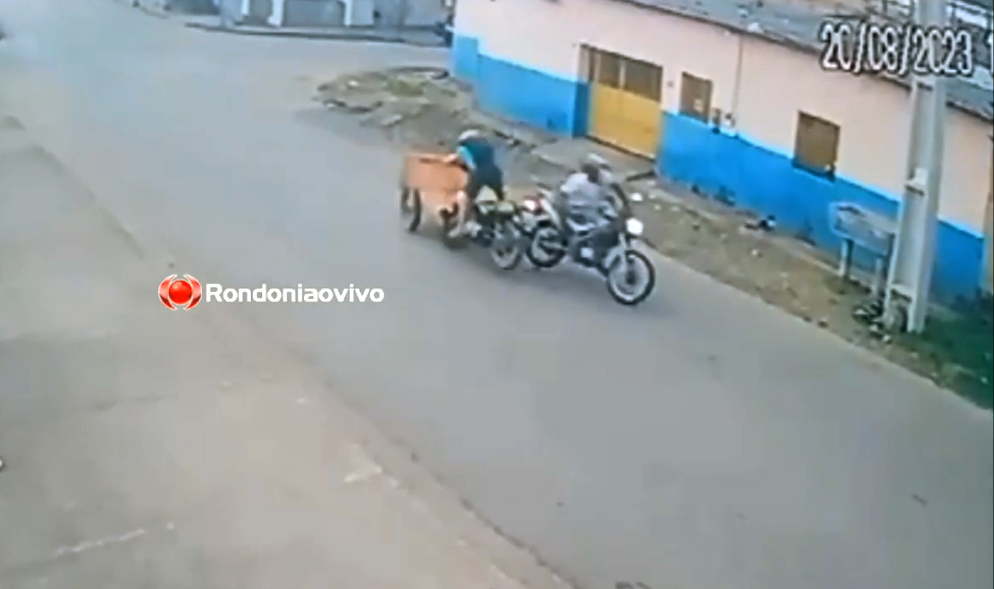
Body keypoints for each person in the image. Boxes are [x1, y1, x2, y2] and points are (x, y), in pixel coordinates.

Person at [444, 129, 505, 235]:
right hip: (496, 173)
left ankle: (460, 226)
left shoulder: (463, 148)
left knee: (464, 197)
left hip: (480, 175)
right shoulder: (488, 147)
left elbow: (471, 166)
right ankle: (500, 224)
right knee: (500, 200)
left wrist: (451, 160)